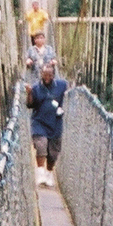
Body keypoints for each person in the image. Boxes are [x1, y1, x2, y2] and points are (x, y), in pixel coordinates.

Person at [27, 59, 67, 188]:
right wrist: (29, 93)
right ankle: (40, 174)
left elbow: (71, 93)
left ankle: (49, 173)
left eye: (50, 75)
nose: (47, 77)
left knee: (53, 154)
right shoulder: (36, 88)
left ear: (54, 75)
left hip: (55, 123)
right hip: (39, 122)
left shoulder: (62, 85)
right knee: (41, 146)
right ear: (41, 74)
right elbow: (29, 105)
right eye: (45, 75)